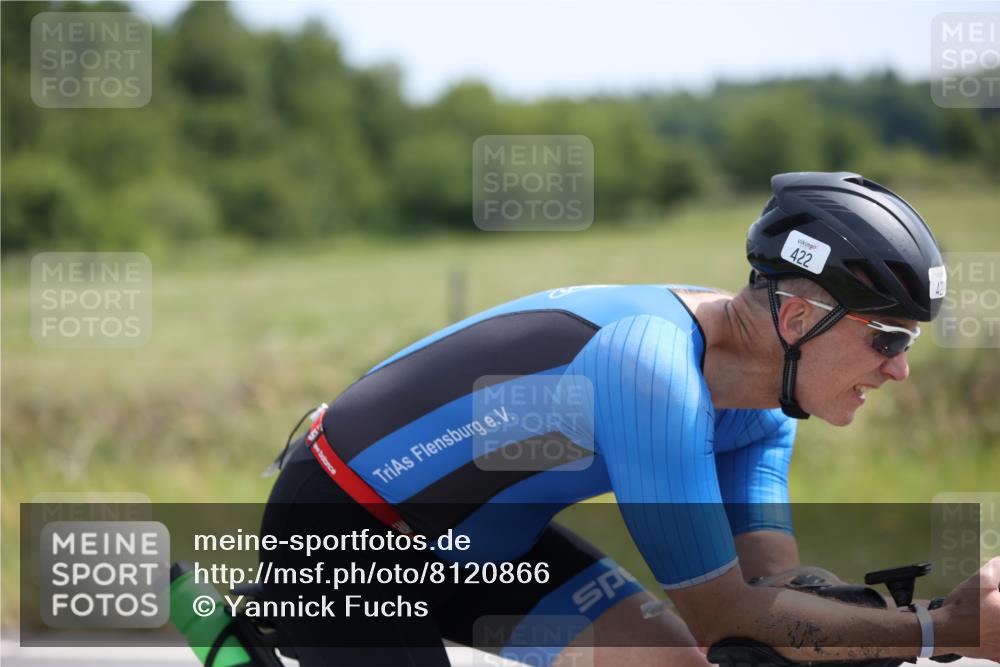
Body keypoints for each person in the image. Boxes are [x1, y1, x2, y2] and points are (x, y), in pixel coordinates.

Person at [259, 172, 999, 666]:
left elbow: (771, 585)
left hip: (483, 541)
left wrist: (898, 612)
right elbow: (723, 613)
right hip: (339, 530)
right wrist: (940, 627)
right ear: (800, 317)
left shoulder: (766, 403)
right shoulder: (652, 369)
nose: (899, 368)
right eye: (887, 337)